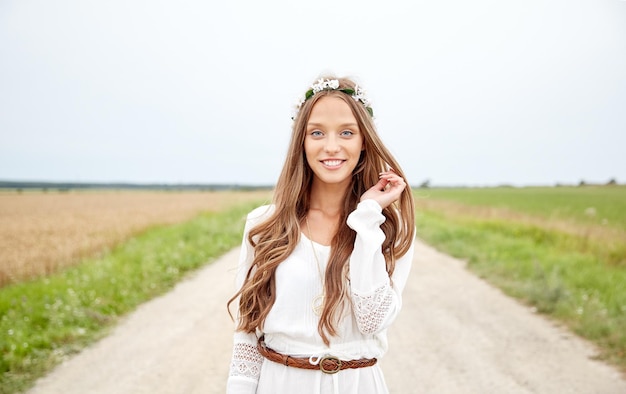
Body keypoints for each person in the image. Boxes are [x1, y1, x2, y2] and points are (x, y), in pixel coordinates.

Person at [226, 75, 416, 394]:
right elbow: (247, 331)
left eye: (346, 132)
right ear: (302, 141)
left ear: (363, 141)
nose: (331, 146)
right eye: (317, 132)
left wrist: (367, 217)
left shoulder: (385, 227)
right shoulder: (265, 223)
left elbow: (372, 319)